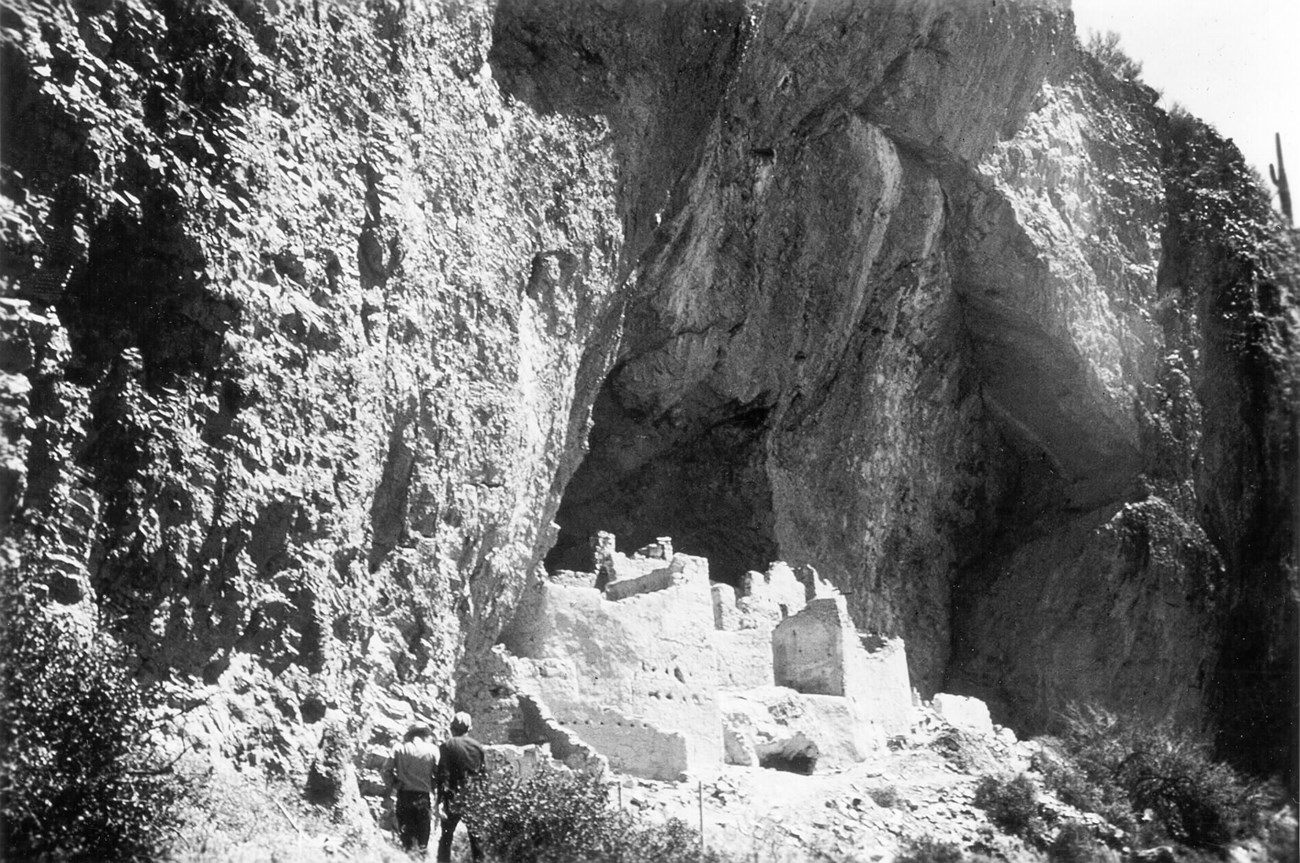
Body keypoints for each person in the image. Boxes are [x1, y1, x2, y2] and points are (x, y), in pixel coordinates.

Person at [383, 722, 439, 856]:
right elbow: (439, 775)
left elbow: (385, 770)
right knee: (422, 839)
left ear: (409, 735)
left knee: (406, 839)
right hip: (423, 798)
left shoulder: (399, 748)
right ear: (425, 735)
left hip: (404, 796)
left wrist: (395, 783)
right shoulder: (433, 750)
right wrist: (432, 785)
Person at [436, 711, 485, 863]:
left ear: (452, 728)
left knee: (446, 837)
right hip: (473, 797)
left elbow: (443, 775)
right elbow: (484, 775)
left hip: (453, 797)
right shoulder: (478, 747)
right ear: (469, 729)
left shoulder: (446, 746)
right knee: (476, 840)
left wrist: (439, 801)